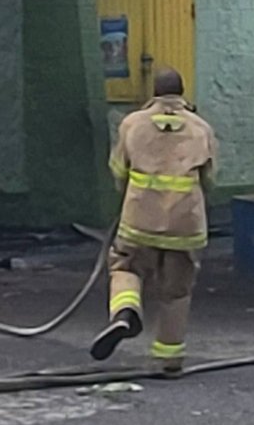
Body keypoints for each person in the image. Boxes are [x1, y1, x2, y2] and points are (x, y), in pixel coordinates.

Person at [89, 67, 215, 374]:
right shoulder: (201, 128)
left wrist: (132, 194)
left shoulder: (133, 124)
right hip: (185, 226)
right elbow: (209, 180)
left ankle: (125, 311)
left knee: (125, 265)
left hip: (139, 221)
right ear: (182, 92)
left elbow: (118, 170)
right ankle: (169, 359)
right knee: (177, 291)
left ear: (154, 93)